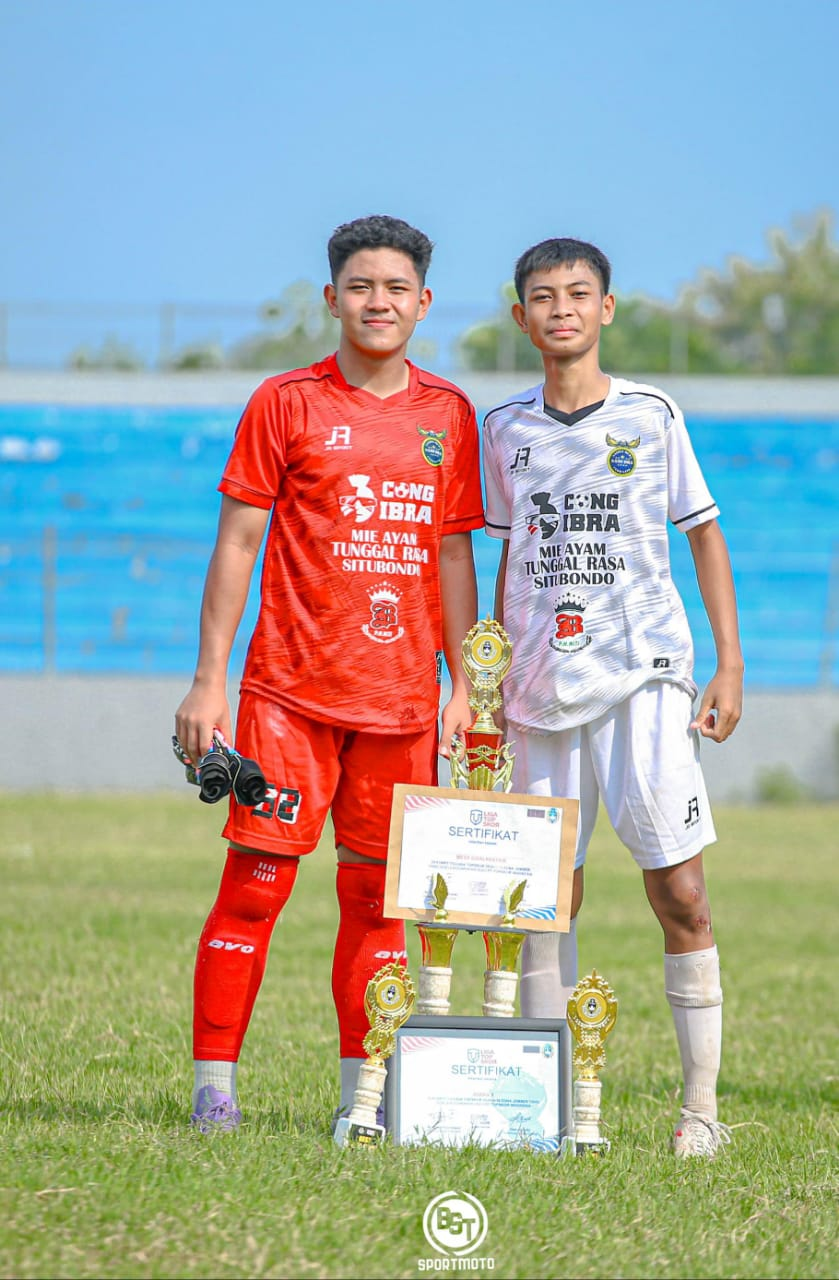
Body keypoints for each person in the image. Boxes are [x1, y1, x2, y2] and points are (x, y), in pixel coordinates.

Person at [175, 214, 483, 1133]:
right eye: (360, 287)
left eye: (395, 289)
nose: (377, 302)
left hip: (402, 707)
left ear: (422, 303)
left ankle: (365, 1102)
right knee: (255, 887)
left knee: (377, 906)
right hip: (287, 697)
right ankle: (214, 1089)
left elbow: (454, 557)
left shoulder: (448, 415)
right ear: (332, 298)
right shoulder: (285, 402)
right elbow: (238, 542)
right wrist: (208, 680)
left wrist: (466, 687)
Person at [482, 237, 744, 1158]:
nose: (560, 309)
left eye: (577, 293)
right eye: (542, 296)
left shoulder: (651, 413)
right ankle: (546, 1112)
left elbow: (702, 534)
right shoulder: (501, 429)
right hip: (536, 689)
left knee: (680, 890)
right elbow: (508, 554)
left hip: (644, 679)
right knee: (544, 898)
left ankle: (700, 1111)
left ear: (606, 308)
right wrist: (485, 677)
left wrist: (728, 664)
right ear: (520, 315)